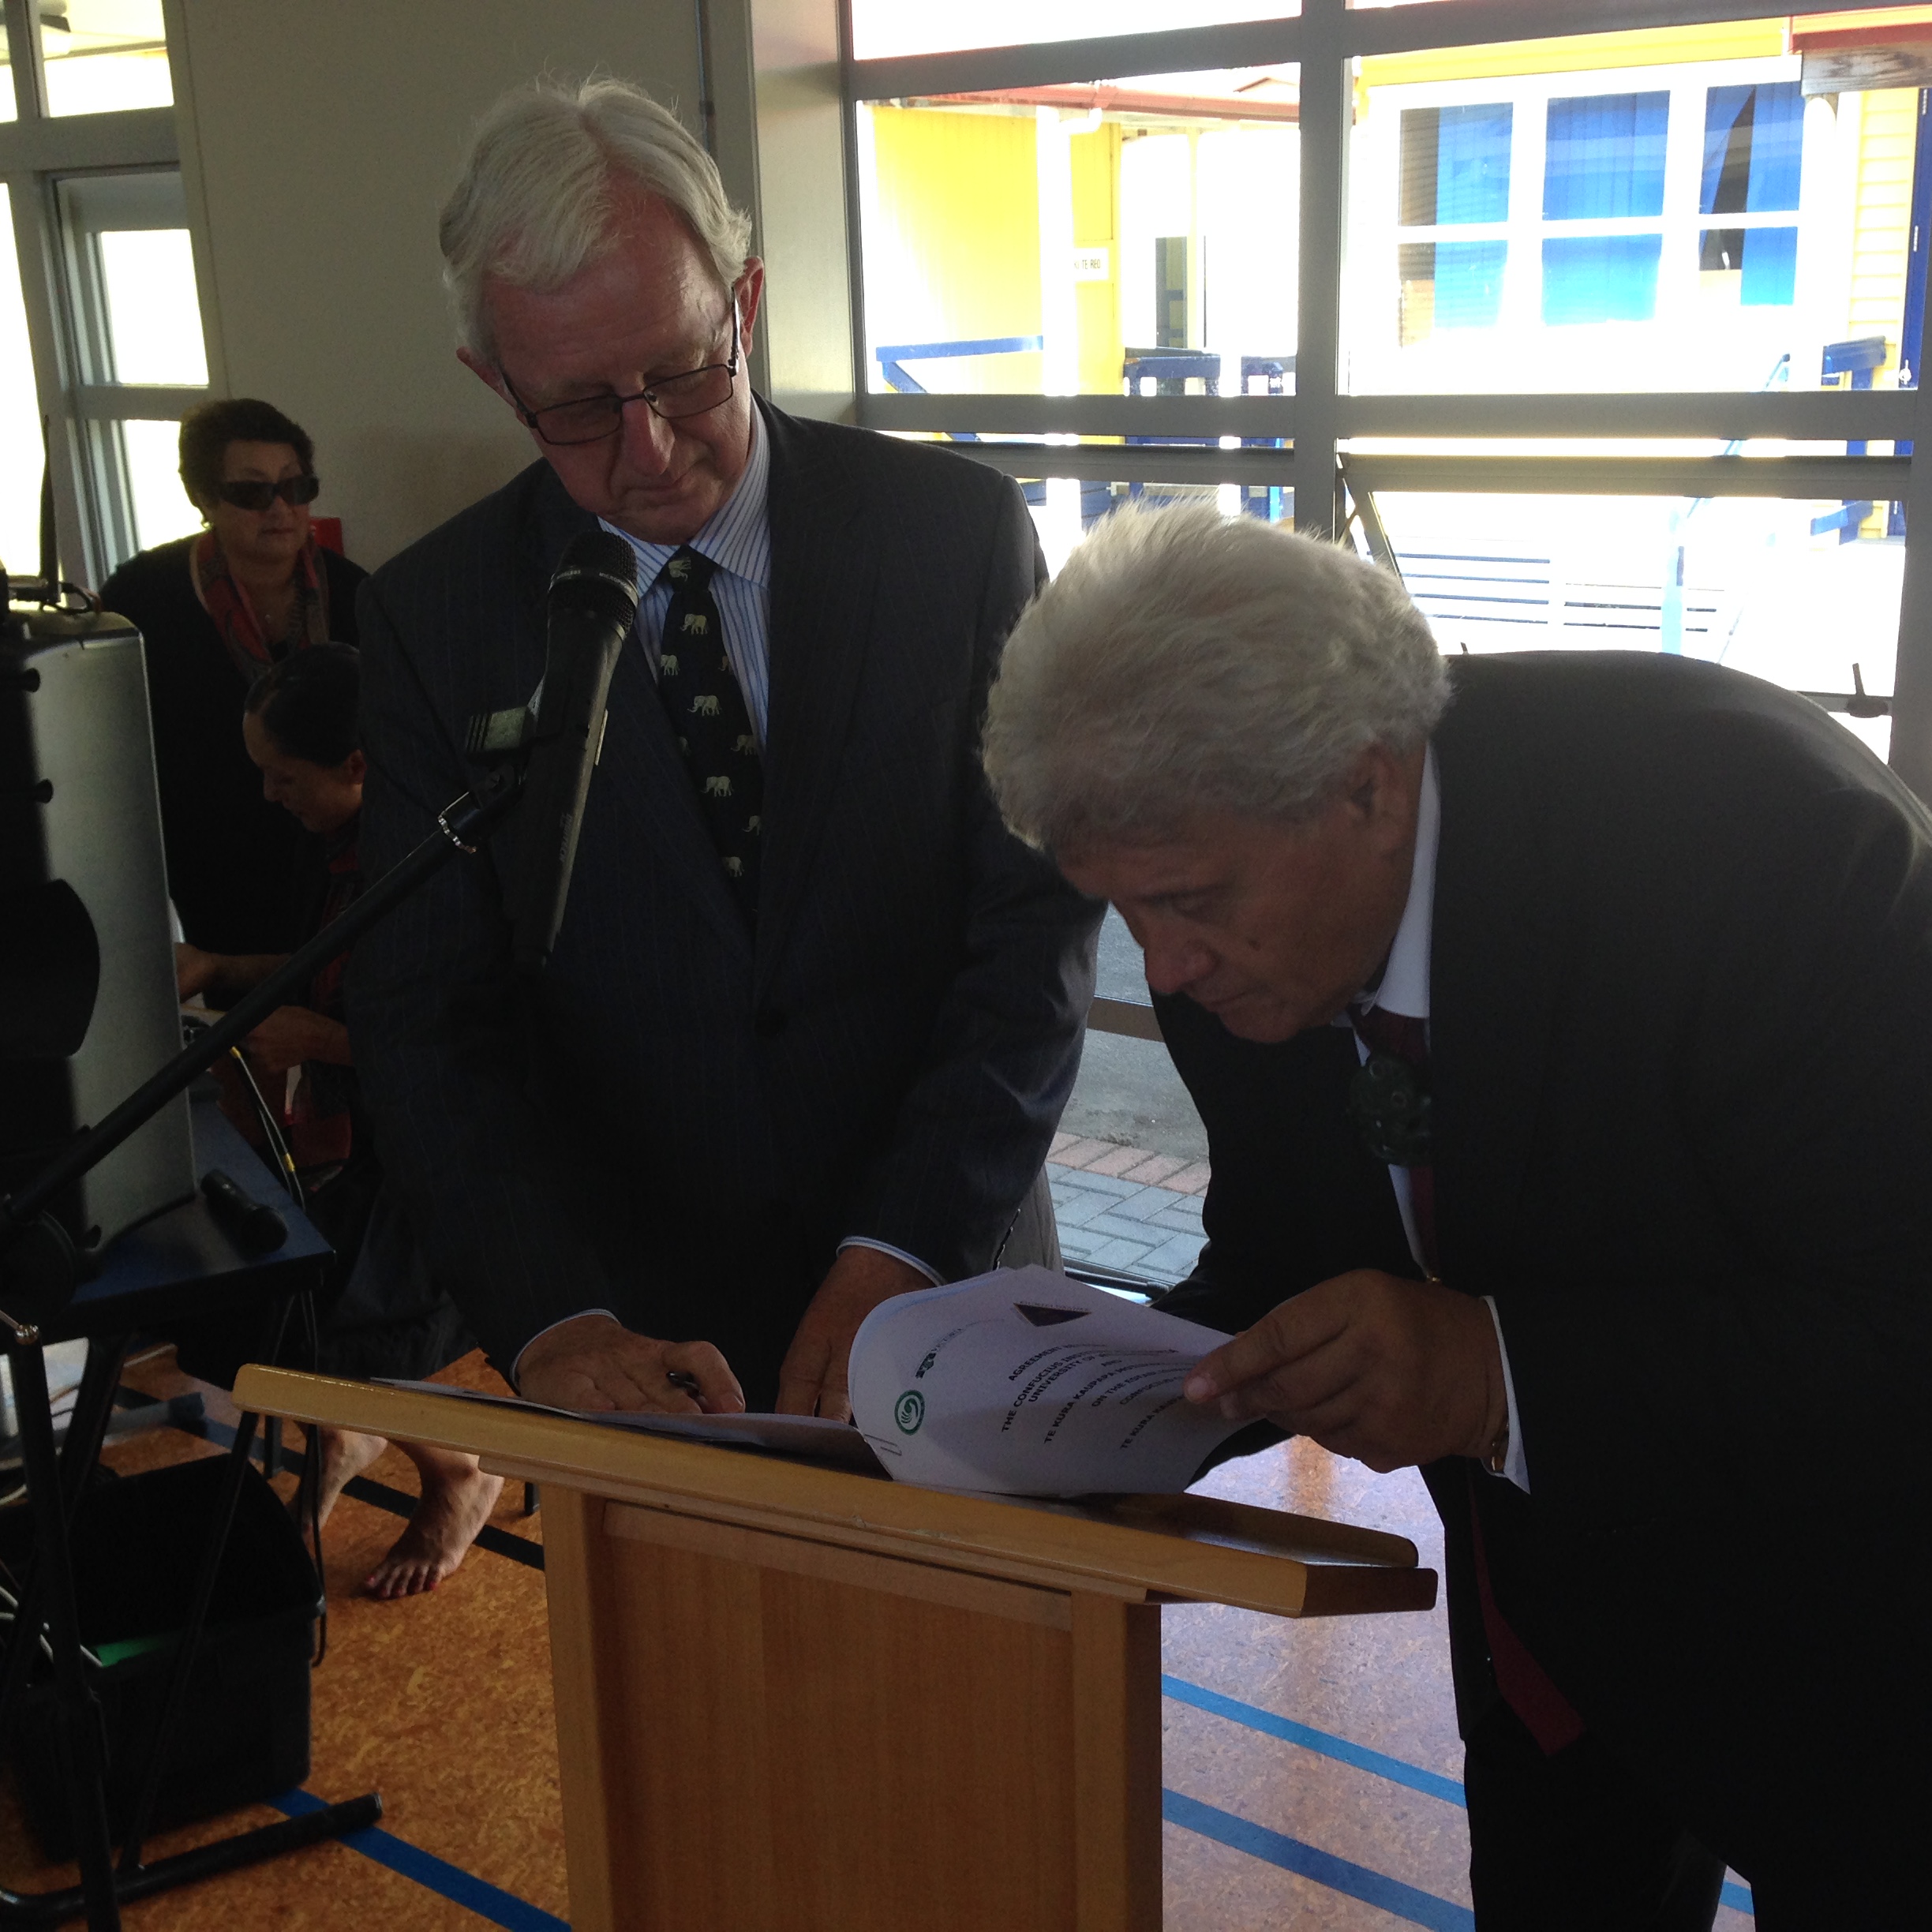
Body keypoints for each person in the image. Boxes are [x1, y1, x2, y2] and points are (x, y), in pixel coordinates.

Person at [979, 504, 1930, 1929]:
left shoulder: (1774, 851)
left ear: (1364, 787)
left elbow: (1900, 1323)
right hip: (1551, 1626)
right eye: (1125, 914)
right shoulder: (1245, 929)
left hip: (1861, 1622)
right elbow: (1290, 1254)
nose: (1165, 972)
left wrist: (1490, 1370)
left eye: (1186, 901)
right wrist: (1054, 1400)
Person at [346, 78, 1099, 1421]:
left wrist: (902, 1242)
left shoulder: (954, 541)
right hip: (646, 1349)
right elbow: (425, 1027)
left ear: (742, 305)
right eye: (574, 406)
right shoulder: (431, 620)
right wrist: (554, 1318)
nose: (646, 447)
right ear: (493, 381)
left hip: (948, 1274)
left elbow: (1031, 929)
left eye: (682, 370)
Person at [175, 646, 502, 1599]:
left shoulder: (438, 861)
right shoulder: (356, 846)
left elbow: (480, 1046)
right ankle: (346, 1434)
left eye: (284, 775)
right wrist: (223, 968)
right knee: (250, 1290)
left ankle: (459, 1476)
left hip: (440, 1158)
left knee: (323, 1319)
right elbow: (336, 968)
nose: (271, 795)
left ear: (355, 765)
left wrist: (318, 1037)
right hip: (372, 1144)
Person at [103, 398, 365, 956]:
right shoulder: (142, 597)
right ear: (202, 498)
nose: (279, 508)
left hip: (339, 856)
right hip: (212, 859)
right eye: (251, 492)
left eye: (295, 487)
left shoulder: (357, 594)